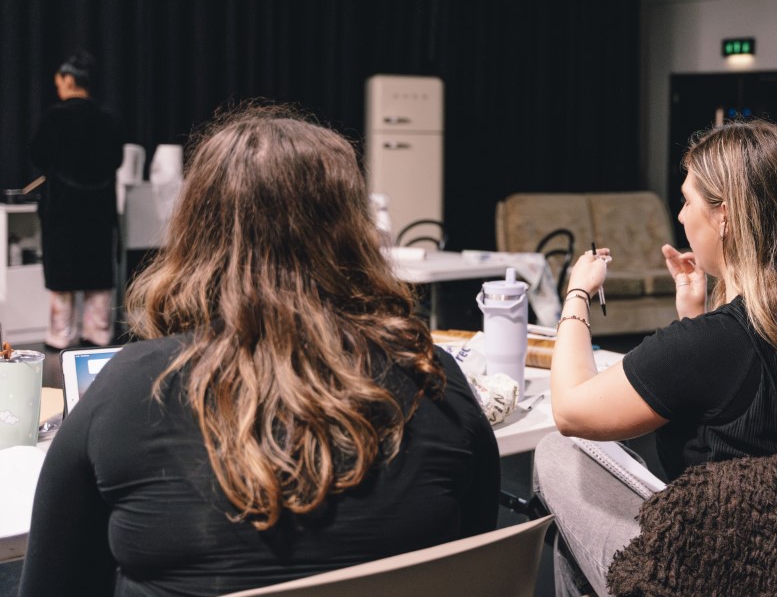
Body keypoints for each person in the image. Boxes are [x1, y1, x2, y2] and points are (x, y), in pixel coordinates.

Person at [20, 104, 500, 596]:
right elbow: (481, 566)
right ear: (354, 232)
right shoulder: (432, 380)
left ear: (195, 229)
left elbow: (49, 583)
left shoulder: (129, 389)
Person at [534, 119, 777, 597]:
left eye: (688, 200)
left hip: (710, 574)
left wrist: (576, 293)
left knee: (558, 453)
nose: (681, 215)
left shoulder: (709, 345)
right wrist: (694, 313)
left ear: (725, 216)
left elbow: (570, 410)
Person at [29, 50, 125, 350]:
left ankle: (61, 336)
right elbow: (117, 160)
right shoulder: (108, 120)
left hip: (63, 211)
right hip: (98, 211)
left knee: (62, 278)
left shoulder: (54, 118)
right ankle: (98, 334)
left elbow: (38, 156)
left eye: (59, 81)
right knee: (98, 275)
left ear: (69, 80)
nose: (58, 86)